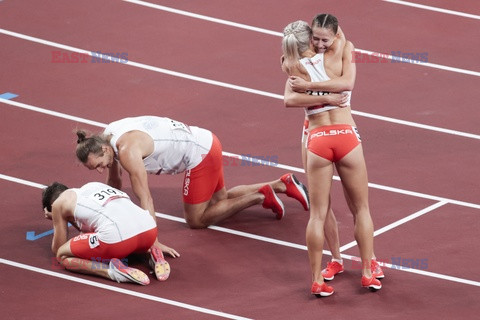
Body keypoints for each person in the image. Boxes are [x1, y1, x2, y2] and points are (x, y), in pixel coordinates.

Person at [282, 16, 383, 296]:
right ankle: (366, 272)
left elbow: (289, 99)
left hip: (316, 140)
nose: (321, 43)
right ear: (310, 37)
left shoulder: (290, 64)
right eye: (316, 39)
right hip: (346, 135)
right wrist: (329, 95)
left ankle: (316, 280)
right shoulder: (342, 49)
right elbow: (346, 84)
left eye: (324, 39)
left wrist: (307, 90)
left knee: (317, 213)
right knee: (361, 208)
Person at [74, 116, 309, 234]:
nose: (101, 169)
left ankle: (260, 196)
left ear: (105, 149)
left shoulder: (126, 151)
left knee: (196, 220)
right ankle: (282, 184)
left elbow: (145, 197)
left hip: (200, 154)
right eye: (95, 168)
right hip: (205, 139)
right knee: (221, 200)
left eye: (100, 164)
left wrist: (151, 240)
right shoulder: (107, 137)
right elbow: (114, 182)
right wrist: (105, 213)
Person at [41, 181, 171, 285]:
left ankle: (112, 272)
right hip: (149, 231)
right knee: (125, 238)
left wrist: (56, 217)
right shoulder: (93, 185)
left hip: (119, 241)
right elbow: (87, 231)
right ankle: (152, 256)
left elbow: (58, 248)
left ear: (51, 205)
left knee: (62, 256)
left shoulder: (58, 204)